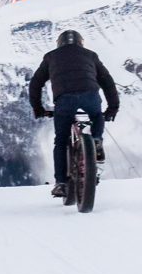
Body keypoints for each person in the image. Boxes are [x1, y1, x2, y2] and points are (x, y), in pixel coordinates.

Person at [29, 29, 118, 198]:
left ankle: (61, 183)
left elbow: (36, 83)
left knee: (61, 141)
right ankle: (97, 140)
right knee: (96, 115)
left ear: (59, 43)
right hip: (90, 95)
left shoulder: (50, 57)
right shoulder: (91, 55)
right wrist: (113, 108)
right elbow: (107, 81)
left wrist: (38, 108)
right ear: (81, 43)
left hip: (65, 100)